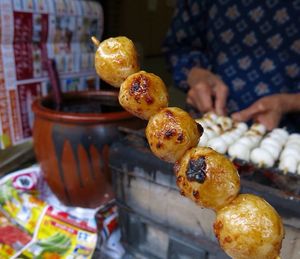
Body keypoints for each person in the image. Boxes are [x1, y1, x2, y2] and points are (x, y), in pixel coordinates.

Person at [162, 0, 300, 131]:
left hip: (291, 135)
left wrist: (288, 103)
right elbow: (178, 47)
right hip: (205, 125)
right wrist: (195, 74)